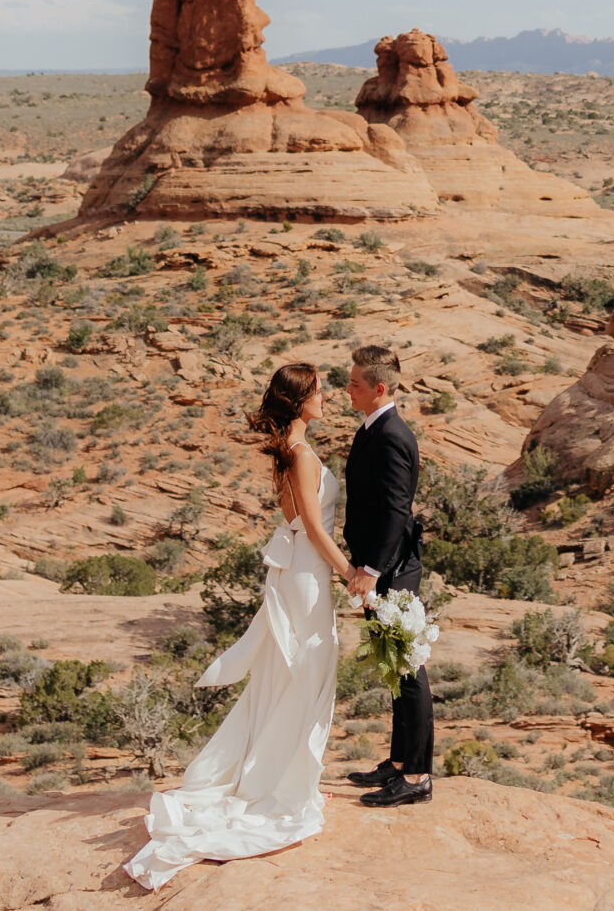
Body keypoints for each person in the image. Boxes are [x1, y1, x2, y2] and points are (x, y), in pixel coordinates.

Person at [123, 361, 361, 889]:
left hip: (300, 569)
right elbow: (315, 530)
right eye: (319, 392)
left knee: (293, 673)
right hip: (307, 572)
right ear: (300, 401)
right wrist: (350, 576)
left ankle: (289, 778)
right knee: (306, 672)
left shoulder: (290, 452)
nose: (327, 398)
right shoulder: (298, 454)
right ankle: (287, 787)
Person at [341, 341, 434, 807]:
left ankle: (416, 777)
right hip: (382, 565)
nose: (347, 388)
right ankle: (398, 764)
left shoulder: (393, 435)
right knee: (394, 667)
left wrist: (372, 570)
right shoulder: (373, 427)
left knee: (409, 668)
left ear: (378, 389)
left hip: (393, 569)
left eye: (354, 383)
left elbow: (397, 510)